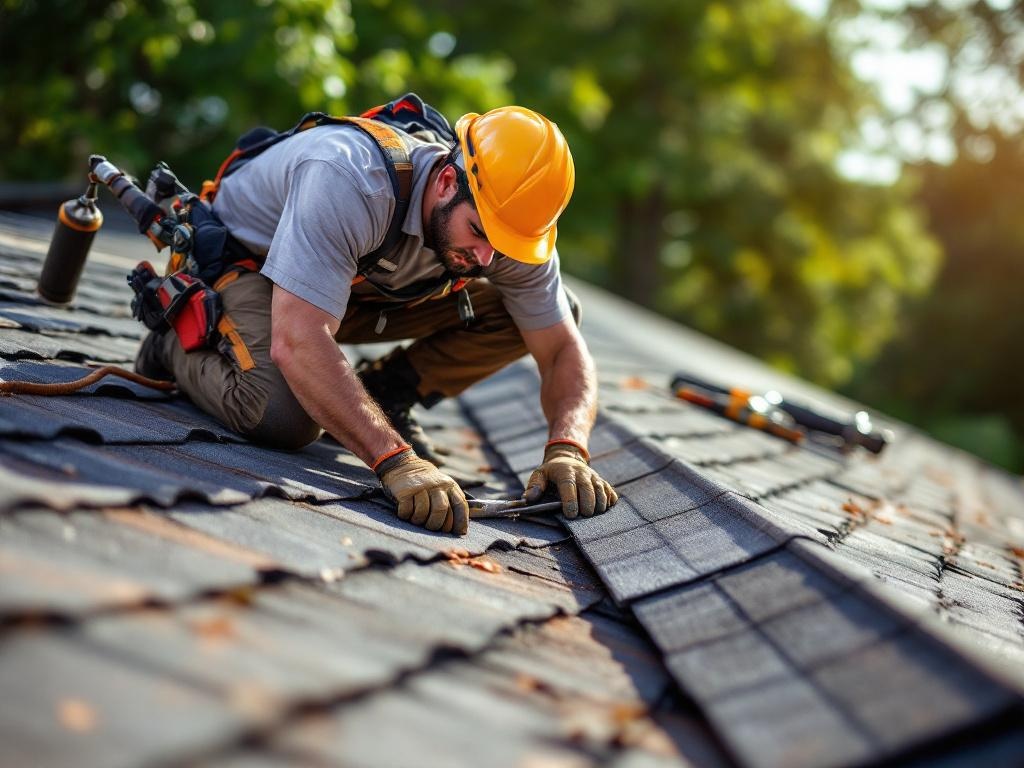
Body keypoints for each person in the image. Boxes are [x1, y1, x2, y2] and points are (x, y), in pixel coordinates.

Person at [137, 104, 618, 535]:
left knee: (553, 312)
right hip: (252, 274)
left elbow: (561, 348)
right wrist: (394, 460)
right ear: (449, 181)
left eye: (507, 245)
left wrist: (568, 448)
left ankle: (387, 394)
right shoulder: (350, 177)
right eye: (479, 232)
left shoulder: (505, 226)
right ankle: (174, 345)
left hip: (344, 294)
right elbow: (298, 337)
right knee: (283, 417)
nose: (488, 257)